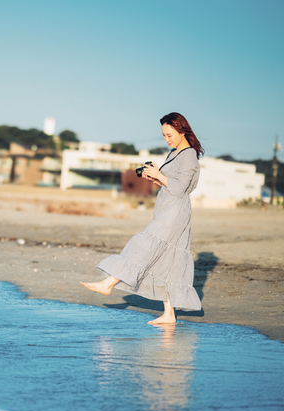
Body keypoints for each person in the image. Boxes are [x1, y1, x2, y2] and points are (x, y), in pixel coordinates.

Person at [81, 112, 204, 324]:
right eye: (164, 135)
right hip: (166, 208)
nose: (167, 139)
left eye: (169, 134)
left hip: (175, 212)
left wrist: (158, 174)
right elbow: (170, 184)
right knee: (169, 261)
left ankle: (108, 283)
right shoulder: (174, 153)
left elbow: (180, 188)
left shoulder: (189, 154)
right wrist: (155, 178)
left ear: (182, 129)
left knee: (144, 244)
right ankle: (169, 314)